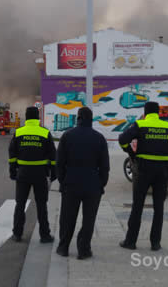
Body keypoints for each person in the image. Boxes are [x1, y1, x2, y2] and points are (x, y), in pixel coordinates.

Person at [118, 101, 168, 251]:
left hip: (143, 170)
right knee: (159, 207)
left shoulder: (140, 124)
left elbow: (122, 140)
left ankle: (130, 242)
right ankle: (155, 243)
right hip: (163, 171)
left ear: (145, 113)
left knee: (137, 206)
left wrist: (131, 153)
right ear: (158, 113)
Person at [55, 106, 110, 260]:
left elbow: (59, 163)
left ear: (78, 118)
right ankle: (83, 250)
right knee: (89, 219)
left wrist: (63, 180)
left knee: (67, 217)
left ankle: (63, 248)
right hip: (92, 184)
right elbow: (105, 166)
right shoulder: (99, 138)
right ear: (91, 120)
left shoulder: (67, 136)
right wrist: (101, 184)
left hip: (71, 182)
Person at [9, 106, 57, 243]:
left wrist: (13, 171)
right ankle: (44, 235)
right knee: (42, 205)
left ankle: (17, 234)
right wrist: (53, 174)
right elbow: (53, 157)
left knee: (20, 204)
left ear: (26, 117)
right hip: (40, 174)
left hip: (22, 174)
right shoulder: (44, 133)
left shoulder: (18, 132)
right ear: (37, 117)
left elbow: (12, 155)